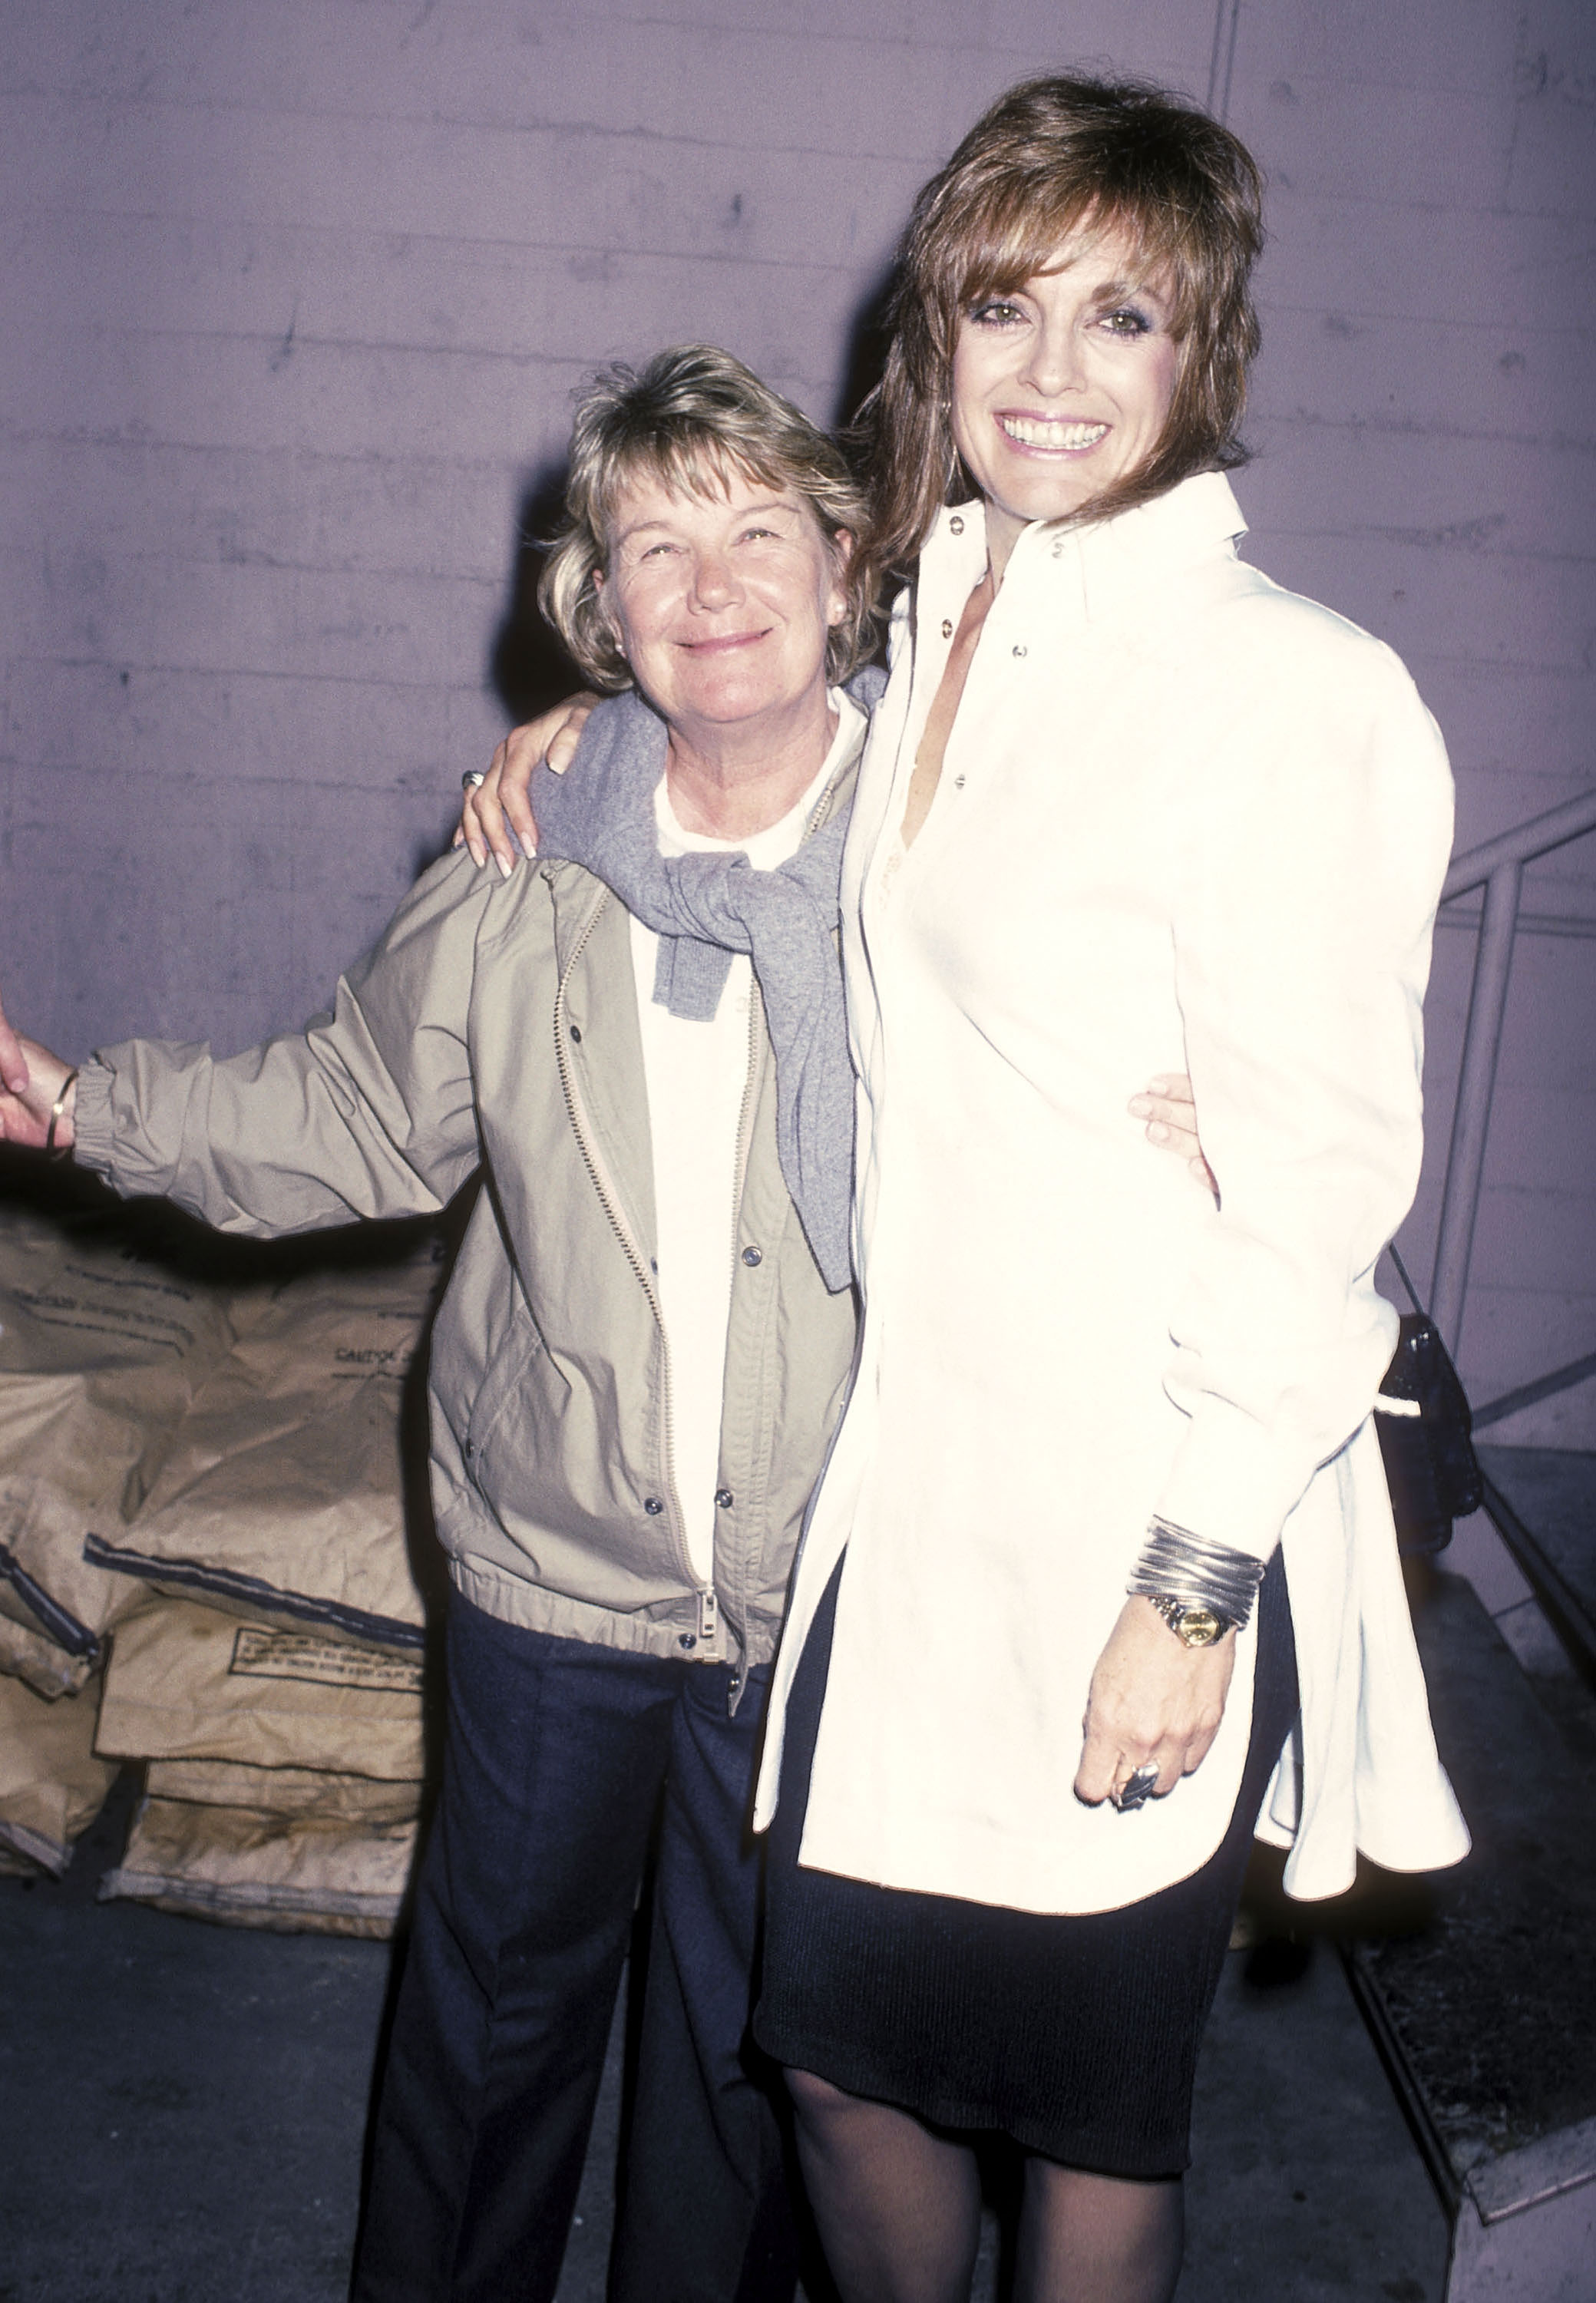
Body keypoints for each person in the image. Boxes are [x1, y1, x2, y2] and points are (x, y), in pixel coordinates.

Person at [0, 342, 1208, 2303]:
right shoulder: (520, 872)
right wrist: (87, 1106)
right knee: (487, 2030)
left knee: (754, 2062)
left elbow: (1124, 1042)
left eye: (756, 533)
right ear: (600, 608)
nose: (711, 588)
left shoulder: (947, 879)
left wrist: (1217, 1105)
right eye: (655, 548)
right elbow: (353, 1116)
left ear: (843, 571)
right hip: (555, 1571)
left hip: (831, 1578)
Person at [463, 71, 1472, 2303]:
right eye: (1004, 308)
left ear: (1202, 352)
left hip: (1131, 1509)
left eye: (1122, 318)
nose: (1049, 373)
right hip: (904, 1510)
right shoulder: (932, 616)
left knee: (1085, 2111)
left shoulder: (1291, 692)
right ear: (941, 331)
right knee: (835, 2064)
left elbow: (1321, 1204)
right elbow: (755, 723)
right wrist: (576, 731)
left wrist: (1188, 1591)